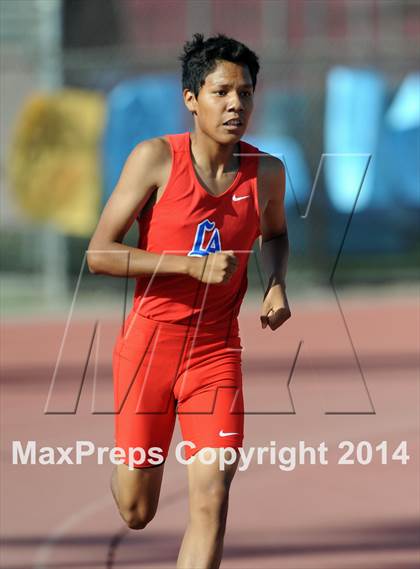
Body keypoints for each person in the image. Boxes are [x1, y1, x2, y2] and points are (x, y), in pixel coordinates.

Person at [87, 32, 291, 569]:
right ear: (190, 98)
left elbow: (276, 234)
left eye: (245, 93)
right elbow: (99, 254)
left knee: (212, 499)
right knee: (137, 510)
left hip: (216, 355)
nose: (235, 105)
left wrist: (275, 285)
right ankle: (131, 467)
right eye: (222, 91)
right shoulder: (154, 159)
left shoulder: (266, 172)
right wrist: (189, 266)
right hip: (147, 350)